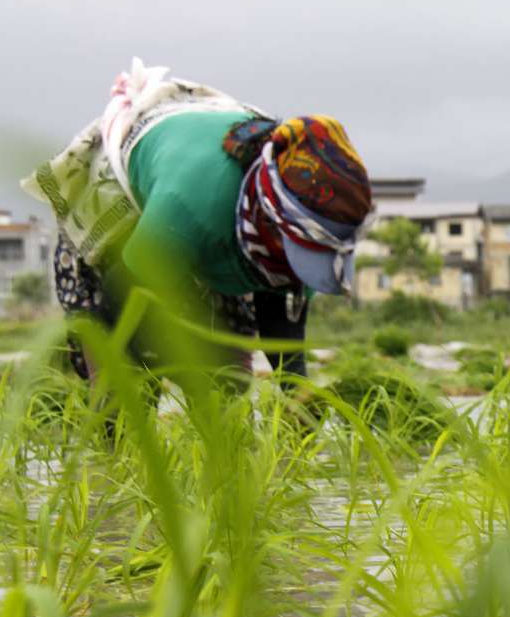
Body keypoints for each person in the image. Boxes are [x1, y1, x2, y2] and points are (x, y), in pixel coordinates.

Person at [23, 58, 372, 391]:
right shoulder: (190, 204)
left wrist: (299, 398)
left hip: (216, 226)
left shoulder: (287, 232)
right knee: (130, 385)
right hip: (126, 220)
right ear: (269, 217)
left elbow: (282, 330)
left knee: (229, 381)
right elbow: (123, 297)